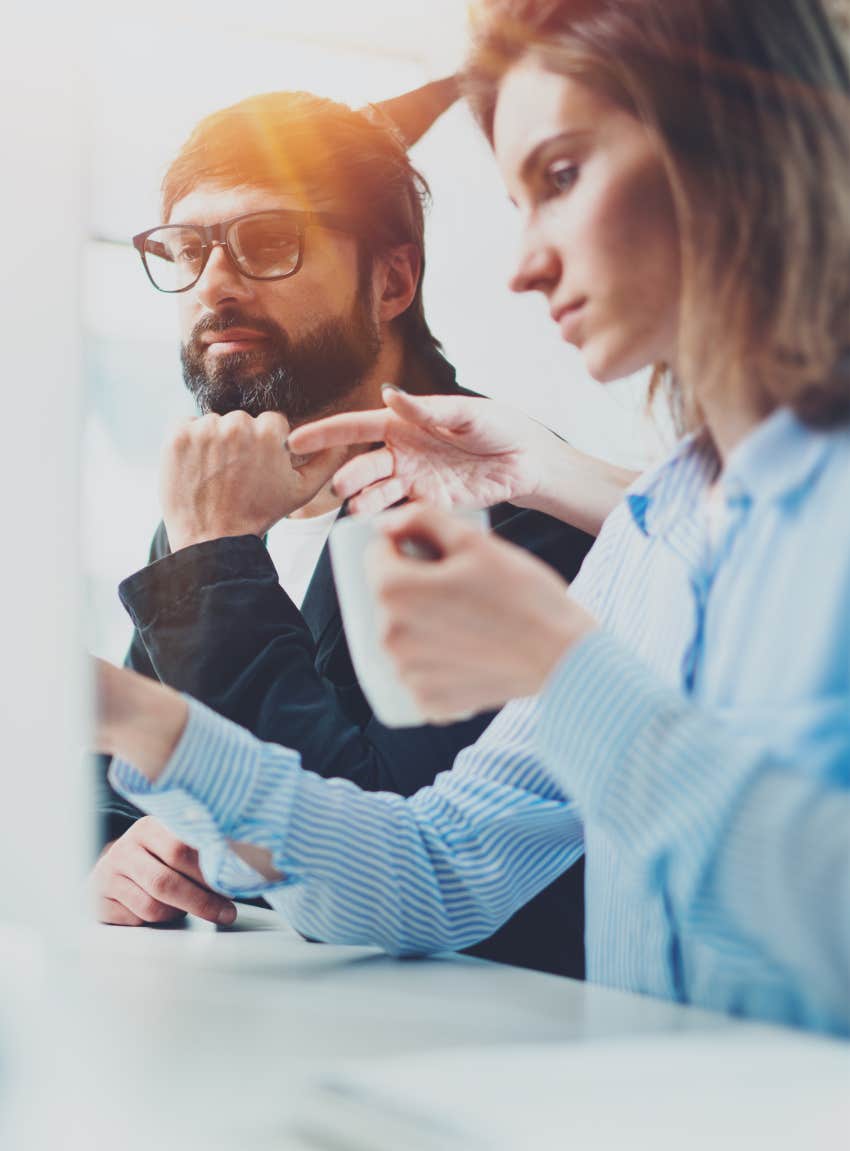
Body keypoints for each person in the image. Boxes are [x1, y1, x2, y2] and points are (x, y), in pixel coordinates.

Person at [95, 0, 850, 1034]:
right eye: (517, 198)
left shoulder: (540, 539)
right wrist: (129, 716)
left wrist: (561, 664)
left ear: (739, 148)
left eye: (564, 175)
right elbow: (434, 871)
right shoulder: (646, 533)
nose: (523, 266)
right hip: (652, 1146)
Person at [93, 84, 632, 977]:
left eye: (267, 243)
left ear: (392, 280)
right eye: (185, 251)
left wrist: (217, 562)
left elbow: (397, 843)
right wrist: (117, 862)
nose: (213, 285)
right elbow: (112, 788)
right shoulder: (212, 510)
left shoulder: (511, 511)